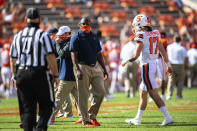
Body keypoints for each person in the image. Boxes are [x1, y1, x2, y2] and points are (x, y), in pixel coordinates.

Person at [9, 8, 59, 131]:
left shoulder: (18, 36)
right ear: (39, 20)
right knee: (48, 106)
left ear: (26, 19)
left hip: (21, 73)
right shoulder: (42, 35)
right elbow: (51, 56)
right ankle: (40, 128)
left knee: (27, 110)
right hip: (38, 73)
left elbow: (12, 59)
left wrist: (15, 76)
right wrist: (56, 75)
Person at [122, 14, 173, 126]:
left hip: (146, 66)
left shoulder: (141, 34)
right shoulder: (156, 33)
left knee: (153, 94)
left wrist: (126, 60)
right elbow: (163, 52)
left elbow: (136, 55)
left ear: (138, 25)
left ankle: (167, 117)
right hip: (153, 65)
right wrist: (168, 65)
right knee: (142, 92)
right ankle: (138, 119)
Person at [69, 16, 108, 127]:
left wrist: (104, 69)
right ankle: (85, 121)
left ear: (91, 25)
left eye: (87, 24)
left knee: (101, 93)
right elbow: (73, 54)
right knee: (83, 95)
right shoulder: (76, 37)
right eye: (83, 24)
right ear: (79, 25)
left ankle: (91, 116)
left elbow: (99, 54)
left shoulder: (94, 36)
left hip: (95, 66)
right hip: (82, 66)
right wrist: (77, 69)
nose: (85, 26)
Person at [51, 26, 80, 123]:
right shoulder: (65, 41)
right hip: (71, 74)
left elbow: (62, 54)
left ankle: (49, 118)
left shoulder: (71, 41)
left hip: (68, 75)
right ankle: (84, 117)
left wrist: (58, 44)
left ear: (68, 33)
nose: (60, 37)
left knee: (59, 98)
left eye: (63, 34)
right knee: (78, 99)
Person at [166, 35, 188, 100]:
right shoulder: (182, 48)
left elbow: (166, 55)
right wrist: (186, 65)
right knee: (180, 80)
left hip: (171, 64)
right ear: (180, 40)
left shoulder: (169, 47)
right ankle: (179, 95)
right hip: (180, 65)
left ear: (174, 39)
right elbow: (186, 58)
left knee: (171, 80)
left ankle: (169, 95)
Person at [156, 32, 168, 101]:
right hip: (160, 59)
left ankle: (153, 95)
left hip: (152, 60)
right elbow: (164, 52)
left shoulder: (151, 39)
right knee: (162, 78)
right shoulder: (163, 41)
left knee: (154, 78)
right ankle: (162, 95)